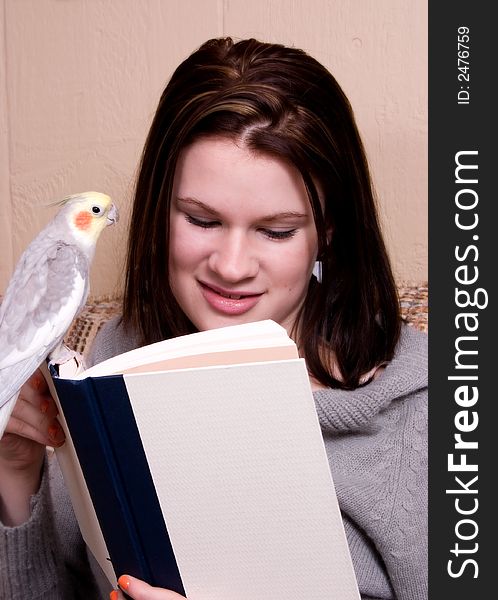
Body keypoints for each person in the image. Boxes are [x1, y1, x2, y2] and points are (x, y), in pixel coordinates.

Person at [0, 37, 427, 600]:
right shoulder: (108, 357)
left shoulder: (426, 412)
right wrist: (15, 467)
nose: (229, 267)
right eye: (200, 219)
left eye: (276, 231)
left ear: (328, 232)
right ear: (159, 208)